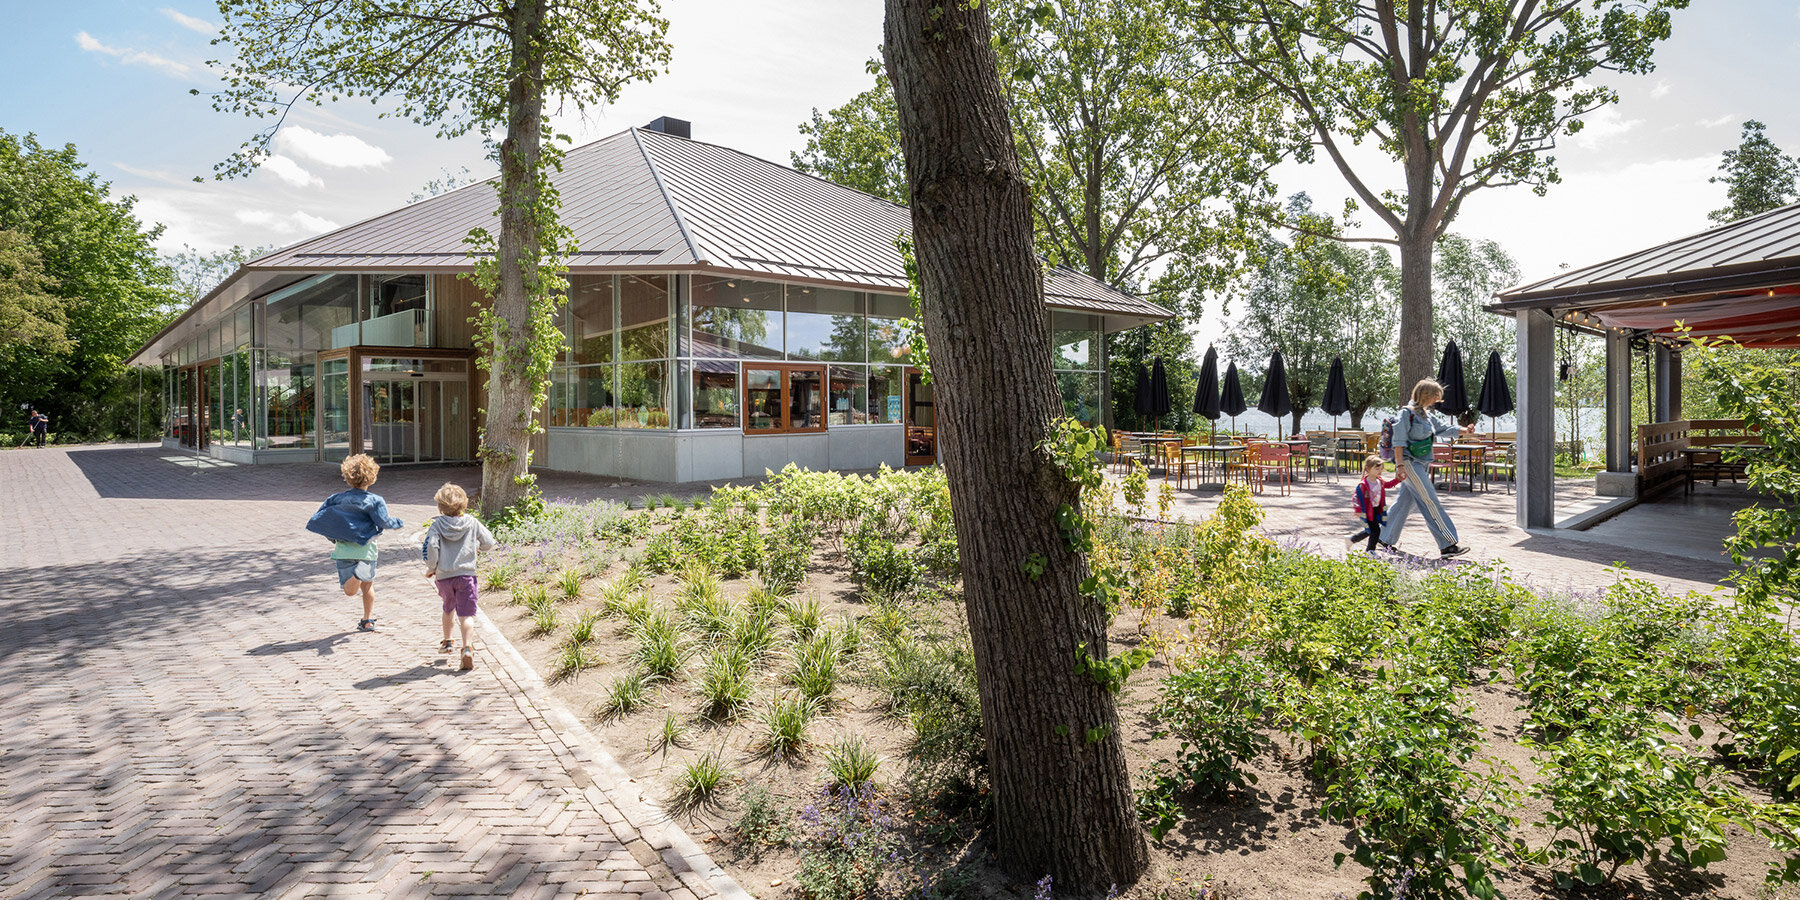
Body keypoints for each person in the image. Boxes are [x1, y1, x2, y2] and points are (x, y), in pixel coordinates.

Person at [306, 454, 403, 631]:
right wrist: (397, 523)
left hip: (344, 549)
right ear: (372, 477)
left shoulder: (335, 499)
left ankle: (359, 584)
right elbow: (383, 522)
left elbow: (322, 519)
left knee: (349, 591)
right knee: (368, 586)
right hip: (367, 550)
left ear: (347, 476)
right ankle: (368, 619)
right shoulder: (375, 500)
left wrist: (333, 537)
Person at [1380, 378, 1475, 559]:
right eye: (1435, 397)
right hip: (1409, 463)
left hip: (1421, 464)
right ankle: (1447, 545)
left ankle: (1384, 537)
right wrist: (1399, 466)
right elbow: (1398, 442)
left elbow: (1444, 428)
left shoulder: (1425, 415)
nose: (1436, 401)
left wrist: (1465, 430)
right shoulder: (1405, 414)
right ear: (1425, 395)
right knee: (1430, 501)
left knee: (1405, 502)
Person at [421, 482, 497, 671]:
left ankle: (447, 641)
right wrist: (477, 549)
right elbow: (488, 542)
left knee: (448, 608)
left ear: (440, 507)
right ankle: (467, 648)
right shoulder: (471, 522)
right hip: (467, 576)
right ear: (464, 504)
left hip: (444, 577)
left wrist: (432, 567)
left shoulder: (437, 525)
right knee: (467, 615)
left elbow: (432, 547)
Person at [1344, 455, 1403, 555]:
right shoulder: (1363, 484)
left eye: (1381, 469)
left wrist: (1398, 480)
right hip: (1367, 511)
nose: (1380, 471)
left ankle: (1351, 540)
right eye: (1377, 469)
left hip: (1376, 510)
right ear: (1368, 469)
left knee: (1370, 531)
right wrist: (1358, 510)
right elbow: (1355, 497)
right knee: (1376, 531)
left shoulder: (1379, 481)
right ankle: (1370, 551)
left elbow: (1387, 485)